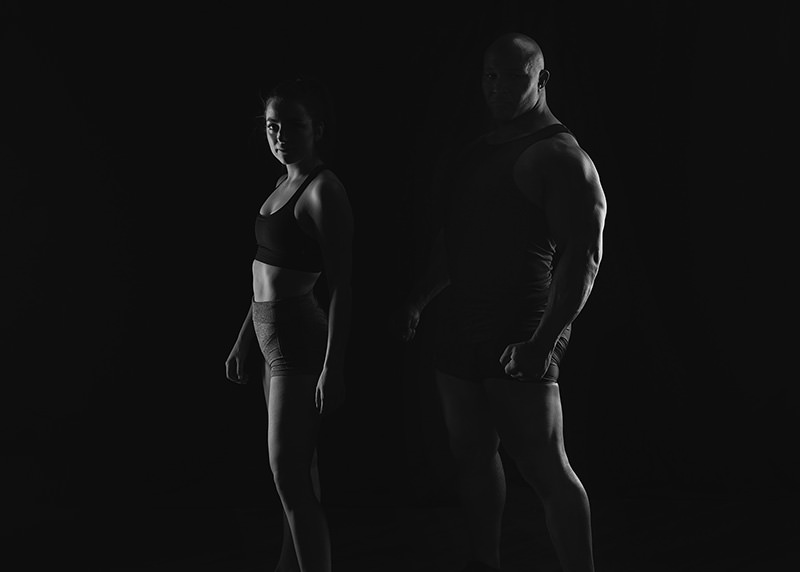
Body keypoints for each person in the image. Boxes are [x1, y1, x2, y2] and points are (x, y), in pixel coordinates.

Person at [400, 33, 606, 572]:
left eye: (514, 76)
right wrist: (421, 300)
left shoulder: (562, 157)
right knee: (471, 457)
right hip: (461, 324)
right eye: (490, 76)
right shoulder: (479, 149)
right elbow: (460, 238)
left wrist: (542, 342)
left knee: (545, 467)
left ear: (541, 80)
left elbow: (583, 261)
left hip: (520, 325)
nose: (497, 88)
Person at [225, 77, 353, 572]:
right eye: (271, 127)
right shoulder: (283, 183)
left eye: (292, 125)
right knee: (299, 474)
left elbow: (343, 285)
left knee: (290, 478)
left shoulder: (324, 190)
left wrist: (333, 367)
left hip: (298, 340)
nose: (280, 136)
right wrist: (244, 340)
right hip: (269, 335)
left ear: (316, 129)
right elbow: (263, 273)